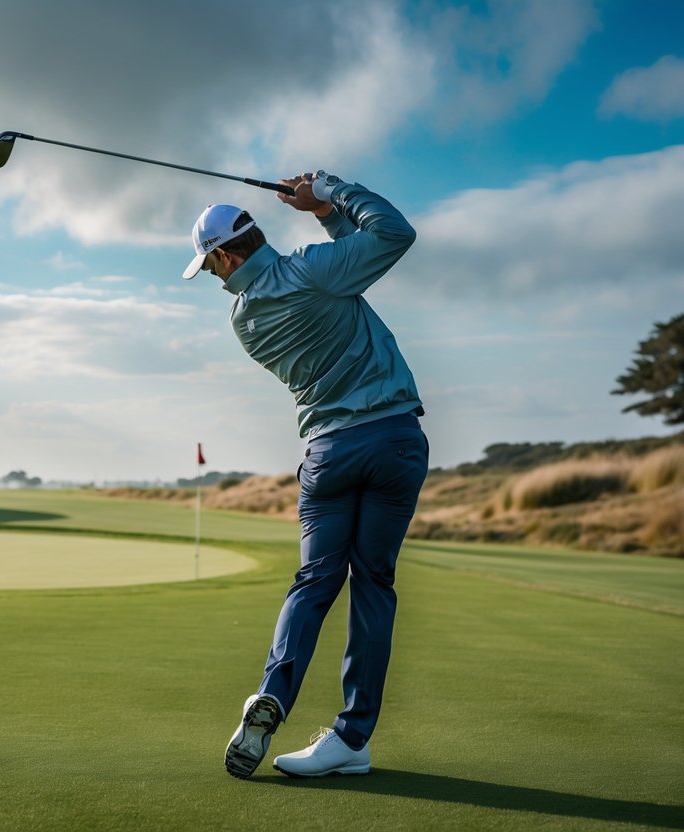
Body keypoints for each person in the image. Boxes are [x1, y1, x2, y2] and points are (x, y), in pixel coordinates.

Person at [181, 172, 429, 780]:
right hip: (394, 441)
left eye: (209, 267)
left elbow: (353, 264)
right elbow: (392, 234)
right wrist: (330, 193)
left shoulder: (244, 319)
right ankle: (352, 737)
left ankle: (272, 694)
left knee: (314, 581)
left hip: (329, 454)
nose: (213, 277)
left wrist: (325, 214)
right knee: (373, 586)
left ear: (225, 256)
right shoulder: (314, 269)